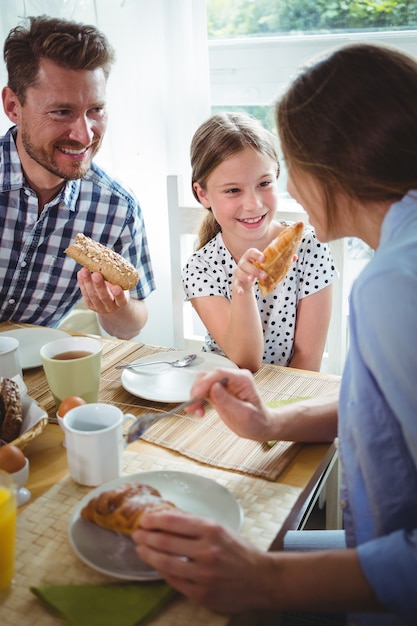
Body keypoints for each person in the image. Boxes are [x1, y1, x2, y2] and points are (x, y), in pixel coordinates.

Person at [132, 42, 417, 625]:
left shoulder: (393, 283)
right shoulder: (395, 261)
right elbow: (374, 403)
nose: (270, 199)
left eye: (282, 170)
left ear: (332, 168)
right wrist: (273, 423)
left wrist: (263, 581)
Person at [0, 16, 155, 339]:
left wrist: (116, 306)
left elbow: (132, 323)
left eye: (95, 110)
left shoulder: (116, 208)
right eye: (62, 112)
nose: (85, 134)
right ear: (14, 106)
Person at [182, 112, 337, 372]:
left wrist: (277, 411)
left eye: (264, 183)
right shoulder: (201, 268)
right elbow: (245, 362)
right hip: (223, 391)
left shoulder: (310, 247)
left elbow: (308, 359)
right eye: (233, 190)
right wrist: (242, 287)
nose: (253, 204)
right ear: (203, 194)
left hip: (290, 392)